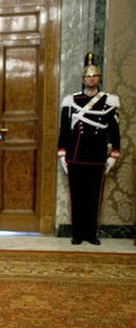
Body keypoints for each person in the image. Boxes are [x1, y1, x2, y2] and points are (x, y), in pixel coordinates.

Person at [57, 52, 121, 245]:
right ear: (83, 78)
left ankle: (91, 234)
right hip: (76, 155)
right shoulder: (72, 101)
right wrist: (62, 154)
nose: (91, 79)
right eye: (88, 76)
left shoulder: (108, 101)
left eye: (94, 76)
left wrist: (114, 154)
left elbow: (114, 130)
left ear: (99, 78)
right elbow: (64, 130)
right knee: (77, 197)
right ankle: (77, 234)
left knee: (94, 197)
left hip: (97, 156)